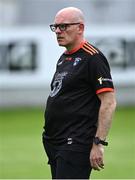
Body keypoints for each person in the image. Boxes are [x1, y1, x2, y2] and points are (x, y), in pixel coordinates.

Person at [42, 7, 116, 179]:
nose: (58, 31)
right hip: (54, 141)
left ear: (80, 28)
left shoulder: (93, 58)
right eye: (55, 27)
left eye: (64, 26)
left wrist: (98, 142)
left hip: (75, 142)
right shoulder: (64, 58)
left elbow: (109, 102)